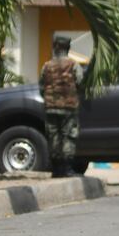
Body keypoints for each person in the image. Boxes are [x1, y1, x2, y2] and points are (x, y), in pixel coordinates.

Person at [39, 35, 84, 178]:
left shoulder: (46, 66)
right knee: (68, 136)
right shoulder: (74, 65)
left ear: (55, 47)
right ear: (68, 48)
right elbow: (80, 83)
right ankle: (66, 169)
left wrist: (50, 99)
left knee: (53, 137)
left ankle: (56, 169)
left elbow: (41, 87)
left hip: (51, 107)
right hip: (68, 108)